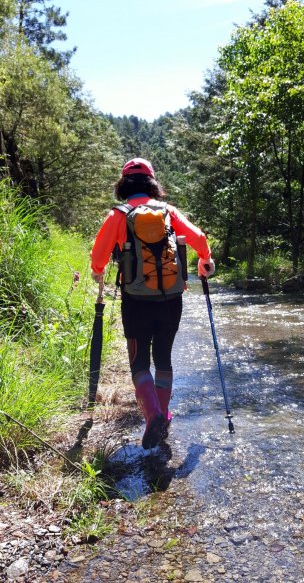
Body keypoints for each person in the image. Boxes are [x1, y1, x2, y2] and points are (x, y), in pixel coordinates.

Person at [90, 158, 215, 450]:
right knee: (164, 358)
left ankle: (153, 417)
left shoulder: (119, 215)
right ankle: (164, 414)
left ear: (123, 184)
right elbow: (198, 237)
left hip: (136, 301)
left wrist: (97, 271)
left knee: (139, 362)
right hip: (172, 299)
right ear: (152, 183)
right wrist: (205, 261)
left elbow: (99, 254)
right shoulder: (168, 212)